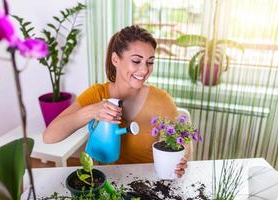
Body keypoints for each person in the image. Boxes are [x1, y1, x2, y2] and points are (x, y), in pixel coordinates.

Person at [43, 25, 190, 177]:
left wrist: (181, 161)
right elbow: (49, 136)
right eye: (136, 61)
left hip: (149, 182)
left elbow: (180, 145)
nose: (145, 70)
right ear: (115, 59)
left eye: (150, 62)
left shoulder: (162, 101)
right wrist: (92, 111)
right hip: (110, 183)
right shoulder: (98, 94)